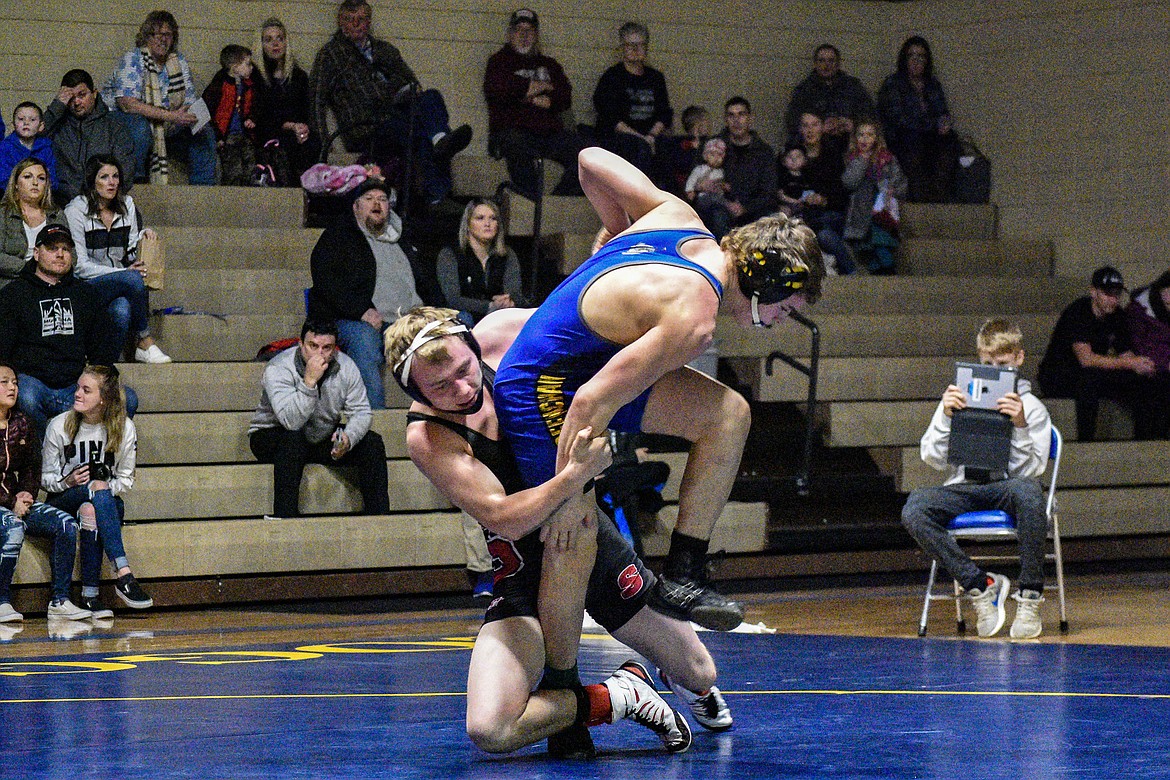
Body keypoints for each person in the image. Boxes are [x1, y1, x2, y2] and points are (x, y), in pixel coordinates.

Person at [493, 147, 826, 694]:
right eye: (786, 308)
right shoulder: (694, 317)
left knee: (727, 413)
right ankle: (561, 685)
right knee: (572, 531)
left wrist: (616, 232)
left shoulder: (677, 216)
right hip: (544, 387)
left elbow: (588, 159)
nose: (781, 322)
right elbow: (590, 403)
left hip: (583, 365)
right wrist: (566, 489)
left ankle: (685, 576)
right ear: (765, 283)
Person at [386, 306, 733, 756]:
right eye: (439, 386)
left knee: (700, 671)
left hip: (591, 545)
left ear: (473, 345)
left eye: (465, 369)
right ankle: (621, 695)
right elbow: (503, 516)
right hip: (522, 573)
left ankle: (677, 679)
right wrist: (572, 477)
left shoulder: (506, 332)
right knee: (490, 729)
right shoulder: (428, 436)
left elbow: (598, 317)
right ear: (413, 390)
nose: (464, 387)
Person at [902, 319, 1052, 639]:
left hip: (1006, 485)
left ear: (1018, 359)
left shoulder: (1032, 407)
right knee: (915, 508)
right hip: (964, 485)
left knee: (1030, 493)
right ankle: (980, 584)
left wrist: (1021, 425)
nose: (995, 370)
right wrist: (945, 415)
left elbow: (1033, 470)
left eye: (1003, 364)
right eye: (987, 364)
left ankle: (1029, 597)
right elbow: (931, 457)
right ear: (978, 359)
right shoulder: (960, 397)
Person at [309, 0, 472, 206]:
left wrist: (399, 88)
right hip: (367, 128)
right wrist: (323, 145)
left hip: (397, 113)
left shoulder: (385, 50)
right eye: (350, 20)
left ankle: (439, 139)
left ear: (369, 22)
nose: (356, 24)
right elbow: (316, 100)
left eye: (361, 19)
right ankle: (437, 194)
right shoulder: (330, 54)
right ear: (341, 23)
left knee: (431, 96)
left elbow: (414, 84)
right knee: (418, 133)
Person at [307, 179, 440, 408]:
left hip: (408, 320)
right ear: (356, 207)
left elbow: (429, 283)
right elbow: (326, 281)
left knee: (460, 324)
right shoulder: (339, 236)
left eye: (382, 200)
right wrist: (361, 310)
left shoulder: (405, 240)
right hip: (358, 319)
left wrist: (438, 312)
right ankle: (374, 420)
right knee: (364, 339)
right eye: (369, 199)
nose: (376, 204)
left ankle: (446, 416)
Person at [0, 224, 139, 434]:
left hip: (74, 384)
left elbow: (99, 350)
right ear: (36, 253)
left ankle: (96, 462)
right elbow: (3, 349)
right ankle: (42, 461)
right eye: (52, 248)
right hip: (34, 382)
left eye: (65, 249)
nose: (60, 254)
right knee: (25, 396)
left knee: (127, 398)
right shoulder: (14, 293)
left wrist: (101, 380)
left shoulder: (84, 294)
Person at [249, 318, 389, 520]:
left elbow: (361, 411)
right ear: (301, 344)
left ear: (334, 349)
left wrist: (348, 438)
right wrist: (309, 382)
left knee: (372, 442)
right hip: (271, 433)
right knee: (293, 439)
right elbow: (291, 421)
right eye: (312, 346)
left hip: (319, 433)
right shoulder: (278, 368)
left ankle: (379, 518)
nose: (319, 354)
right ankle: (285, 517)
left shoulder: (346, 366)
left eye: (326, 348)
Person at [42, 364, 152, 614]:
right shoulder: (59, 425)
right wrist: (67, 481)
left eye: (86, 390)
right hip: (62, 500)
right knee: (93, 493)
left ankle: (89, 596)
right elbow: (45, 479)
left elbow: (125, 479)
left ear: (103, 399)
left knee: (91, 508)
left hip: (100, 502)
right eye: (78, 388)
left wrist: (105, 485)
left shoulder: (124, 428)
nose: (77, 394)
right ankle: (123, 573)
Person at [0, 362, 93, 623]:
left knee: (66, 524)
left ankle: (60, 601)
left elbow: (32, 467)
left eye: (15, 382)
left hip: (16, 500)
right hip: (4, 504)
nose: (13, 387)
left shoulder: (22, 423)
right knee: (12, 528)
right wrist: (10, 501)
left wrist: (26, 495)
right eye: (5, 382)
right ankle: (1, 601)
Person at [64, 154, 171, 364]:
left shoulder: (127, 204)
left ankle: (104, 364)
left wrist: (143, 235)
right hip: (87, 284)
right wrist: (123, 273)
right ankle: (144, 339)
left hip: (120, 282)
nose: (111, 182)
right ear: (92, 181)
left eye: (115, 176)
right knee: (133, 279)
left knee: (121, 309)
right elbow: (80, 267)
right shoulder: (76, 210)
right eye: (104, 177)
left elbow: (130, 251)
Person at [1038, 266, 1159, 441]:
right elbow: (1086, 359)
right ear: (1094, 292)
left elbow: (1125, 353)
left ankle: (1146, 439)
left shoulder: (1117, 316)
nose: (1113, 300)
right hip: (1058, 375)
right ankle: (1086, 442)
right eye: (1107, 294)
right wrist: (1130, 364)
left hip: (1092, 372)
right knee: (1089, 380)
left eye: (1117, 295)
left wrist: (1142, 365)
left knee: (1144, 382)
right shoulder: (1078, 312)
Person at [105, 10, 219, 186]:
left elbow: (189, 100)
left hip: (166, 125)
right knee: (140, 126)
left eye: (167, 34)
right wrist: (172, 116)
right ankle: (135, 184)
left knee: (203, 131)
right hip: (124, 122)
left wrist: (190, 115)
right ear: (146, 37)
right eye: (156, 34)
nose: (162, 39)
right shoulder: (134, 58)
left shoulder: (178, 62)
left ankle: (202, 189)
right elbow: (128, 104)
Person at [483, 8, 585, 199]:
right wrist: (543, 86)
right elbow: (499, 89)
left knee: (586, 154)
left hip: (548, 135)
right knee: (516, 146)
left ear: (536, 35)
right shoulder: (499, 62)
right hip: (513, 133)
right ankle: (530, 203)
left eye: (529, 30)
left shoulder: (550, 64)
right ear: (510, 34)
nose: (524, 35)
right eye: (519, 30)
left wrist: (528, 94)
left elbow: (564, 96)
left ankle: (553, 204)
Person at [877, 36, 960, 203]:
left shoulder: (932, 85)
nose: (916, 61)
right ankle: (920, 200)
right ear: (904, 59)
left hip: (930, 135)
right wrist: (932, 125)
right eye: (911, 56)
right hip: (903, 137)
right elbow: (899, 119)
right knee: (913, 143)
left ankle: (938, 195)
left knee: (952, 141)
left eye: (921, 56)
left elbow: (942, 111)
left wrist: (944, 122)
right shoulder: (893, 84)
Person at [43, 69, 137, 203]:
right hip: (61, 204)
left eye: (82, 95)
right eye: (71, 98)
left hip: (104, 204)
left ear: (94, 93)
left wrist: (102, 201)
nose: (76, 102)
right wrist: (57, 106)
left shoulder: (114, 127)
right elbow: (29, 139)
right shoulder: (56, 126)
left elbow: (125, 171)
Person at [591, 22, 673, 176]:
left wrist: (652, 136)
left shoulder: (655, 78)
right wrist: (642, 139)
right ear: (623, 48)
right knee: (638, 148)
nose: (636, 49)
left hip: (651, 135)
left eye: (641, 45)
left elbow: (664, 113)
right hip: (622, 137)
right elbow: (610, 117)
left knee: (670, 147)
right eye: (631, 45)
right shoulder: (612, 77)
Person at [695, 97, 776, 239]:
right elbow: (695, 179)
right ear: (726, 120)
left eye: (741, 115)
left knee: (771, 218)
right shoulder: (713, 146)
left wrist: (745, 208)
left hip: (753, 209)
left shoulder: (764, 151)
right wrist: (700, 185)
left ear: (750, 118)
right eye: (731, 115)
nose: (736, 120)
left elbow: (769, 191)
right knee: (717, 215)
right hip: (720, 207)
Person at [435, 198, 525, 324]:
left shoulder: (507, 254)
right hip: (462, 317)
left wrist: (509, 301)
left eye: (493, 218)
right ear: (468, 224)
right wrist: (489, 306)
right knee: (464, 318)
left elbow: (515, 293)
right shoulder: (450, 254)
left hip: (499, 317)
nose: (487, 223)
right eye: (480, 218)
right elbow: (453, 299)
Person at [254, 18, 319, 185]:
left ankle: (306, 196)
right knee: (282, 147)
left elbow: (306, 110)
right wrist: (290, 126)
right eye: (268, 40)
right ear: (261, 45)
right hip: (268, 133)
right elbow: (261, 116)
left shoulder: (299, 76)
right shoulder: (257, 77)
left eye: (279, 38)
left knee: (311, 142)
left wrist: (302, 128)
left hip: (296, 132)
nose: (275, 44)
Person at [841, 120, 908, 275]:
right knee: (867, 243)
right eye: (861, 135)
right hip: (861, 209)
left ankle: (887, 268)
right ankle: (879, 270)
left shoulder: (887, 158)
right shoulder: (852, 158)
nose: (865, 139)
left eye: (870, 135)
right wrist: (862, 160)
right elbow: (849, 182)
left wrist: (893, 189)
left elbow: (901, 182)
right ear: (855, 138)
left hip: (882, 207)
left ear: (877, 138)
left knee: (881, 238)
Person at [795, 111, 852, 274]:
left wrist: (823, 199)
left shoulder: (832, 156)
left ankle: (850, 271)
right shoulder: (792, 155)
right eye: (805, 126)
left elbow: (841, 194)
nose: (810, 130)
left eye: (814, 125)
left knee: (823, 232)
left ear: (822, 128)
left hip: (829, 213)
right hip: (803, 212)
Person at [783, 44, 877, 141]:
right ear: (815, 64)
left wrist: (854, 124)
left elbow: (870, 115)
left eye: (831, 60)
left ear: (838, 64)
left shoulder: (853, 87)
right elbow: (793, 121)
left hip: (850, 144)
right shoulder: (804, 90)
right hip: (817, 146)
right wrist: (818, 127)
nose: (826, 65)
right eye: (821, 60)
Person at [0, 158, 66, 290]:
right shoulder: (3, 214)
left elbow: (71, 253)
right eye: (28, 177)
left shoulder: (56, 214)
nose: (35, 183)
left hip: (53, 281)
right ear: (16, 184)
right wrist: (31, 269)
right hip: (12, 282)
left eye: (41, 178)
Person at [202, 45, 258, 187]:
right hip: (227, 135)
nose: (251, 68)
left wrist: (251, 118)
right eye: (247, 64)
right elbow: (209, 111)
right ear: (235, 67)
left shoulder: (248, 86)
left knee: (249, 163)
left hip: (244, 134)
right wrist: (218, 136)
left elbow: (251, 106)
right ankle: (233, 197)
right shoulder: (220, 86)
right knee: (233, 168)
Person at [1125, 269, 1170, 438]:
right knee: (1153, 385)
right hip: (1146, 368)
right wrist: (1165, 364)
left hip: (1162, 367)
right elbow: (1139, 347)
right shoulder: (1138, 311)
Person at [0, 102, 58, 191]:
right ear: (13, 125)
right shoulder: (5, 147)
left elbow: (52, 178)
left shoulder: (46, 148)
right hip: (12, 197)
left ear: (41, 126)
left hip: (40, 197)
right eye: (21, 119)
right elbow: (3, 179)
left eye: (32, 120)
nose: (26, 122)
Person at [684, 137, 728, 212]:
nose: (716, 158)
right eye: (712, 155)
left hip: (718, 198)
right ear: (705, 156)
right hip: (703, 197)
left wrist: (724, 186)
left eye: (719, 155)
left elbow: (721, 184)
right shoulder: (699, 169)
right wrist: (690, 191)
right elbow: (691, 180)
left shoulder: (721, 172)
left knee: (718, 205)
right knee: (713, 199)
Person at [776, 143, 808, 217]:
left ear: (805, 160)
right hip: (787, 205)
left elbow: (808, 191)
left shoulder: (806, 177)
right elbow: (780, 194)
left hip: (803, 205)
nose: (794, 159)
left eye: (798, 156)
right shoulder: (783, 177)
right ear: (783, 161)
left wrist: (804, 200)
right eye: (789, 157)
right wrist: (792, 201)